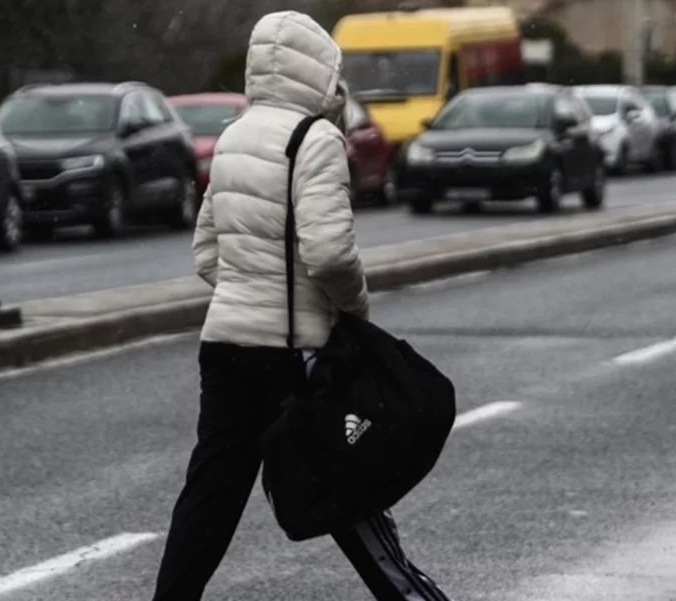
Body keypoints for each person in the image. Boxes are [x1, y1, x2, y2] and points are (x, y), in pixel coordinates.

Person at [150, 11, 452, 601]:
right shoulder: (313, 139)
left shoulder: (234, 135)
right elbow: (331, 255)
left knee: (210, 495)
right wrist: (353, 310)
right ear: (318, 70)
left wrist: (247, 287)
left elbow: (205, 253)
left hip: (225, 347)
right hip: (292, 351)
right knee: (346, 486)